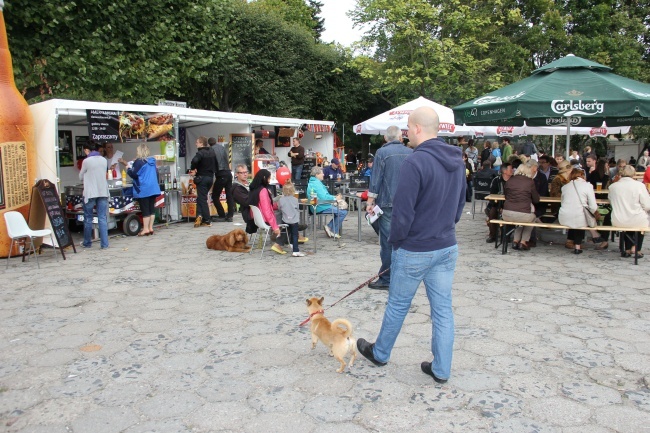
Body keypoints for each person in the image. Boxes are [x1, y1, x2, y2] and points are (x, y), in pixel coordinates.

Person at [356, 106, 465, 384]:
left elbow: (403, 213)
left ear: (417, 128)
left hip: (415, 247)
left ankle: (380, 353)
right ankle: (442, 369)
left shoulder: (415, 163)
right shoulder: (457, 160)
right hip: (446, 245)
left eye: (408, 128)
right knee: (442, 310)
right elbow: (460, 204)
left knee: (398, 304)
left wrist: (396, 244)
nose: (406, 134)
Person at [365, 125, 412, 290]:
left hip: (387, 203)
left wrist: (370, 202)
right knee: (404, 241)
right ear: (401, 138)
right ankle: (404, 276)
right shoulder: (411, 153)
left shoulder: (381, 153)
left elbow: (375, 179)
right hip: (408, 204)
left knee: (387, 242)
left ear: (385, 138)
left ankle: (386, 278)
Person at [119, 144, 161, 236]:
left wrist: (128, 169)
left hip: (144, 188)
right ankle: (150, 228)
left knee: (145, 209)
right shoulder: (152, 161)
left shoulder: (139, 161)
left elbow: (134, 174)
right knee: (151, 209)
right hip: (153, 187)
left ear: (139, 151)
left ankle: (145, 229)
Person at [609, 165, 650, 258]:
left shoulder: (613, 187)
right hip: (637, 219)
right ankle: (636, 249)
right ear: (633, 173)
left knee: (627, 222)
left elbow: (611, 202)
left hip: (618, 219)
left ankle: (627, 249)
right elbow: (647, 206)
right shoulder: (640, 186)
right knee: (640, 221)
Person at [559, 169, 598, 254]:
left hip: (564, 217)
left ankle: (574, 244)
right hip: (579, 217)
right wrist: (589, 213)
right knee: (582, 216)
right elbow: (593, 206)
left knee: (577, 216)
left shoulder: (565, 187)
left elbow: (563, 202)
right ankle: (578, 246)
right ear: (582, 175)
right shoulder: (588, 186)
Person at [79, 141, 109, 249]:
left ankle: (87, 242)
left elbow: (80, 176)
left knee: (88, 218)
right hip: (103, 191)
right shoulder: (104, 160)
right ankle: (105, 244)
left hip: (90, 192)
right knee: (102, 217)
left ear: (87, 150)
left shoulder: (86, 161)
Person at [247, 169, 284, 254]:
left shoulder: (253, 189)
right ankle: (280, 242)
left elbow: (263, 206)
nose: (269, 181)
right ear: (264, 178)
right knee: (287, 219)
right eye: (268, 178)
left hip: (258, 220)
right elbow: (266, 211)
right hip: (265, 220)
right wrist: (275, 227)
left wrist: (276, 206)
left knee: (281, 214)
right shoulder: (263, 191)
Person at [503, 163, 539, 250]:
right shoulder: (530, 181)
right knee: (532, 218)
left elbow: (506, 196)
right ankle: (523, 242)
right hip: (523, 214)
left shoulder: (510, 180)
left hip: (506, 214)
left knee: (520, 222)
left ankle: (515, 241)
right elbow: (536, 200)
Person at [307, 166, 348, 238]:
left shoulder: (313, 182)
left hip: (319, 205)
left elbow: (324, 196)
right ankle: (331, 229)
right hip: (321, 206)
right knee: (343, 212)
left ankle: (330, 228)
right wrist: (335, 198)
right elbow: (324, 197)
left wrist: (334, 197)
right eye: (322, 173)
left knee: (340, 211)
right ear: (317, 174)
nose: (323, 174)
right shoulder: (317, 184)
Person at [189, 136, 216, 228]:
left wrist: (193, 169)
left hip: (202, 178)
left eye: (197, 142)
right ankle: (199, 217)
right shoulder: (212, 152)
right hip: (210, 178)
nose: (196, 144)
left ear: (201, 143)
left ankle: (207, 220)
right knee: (201, 198)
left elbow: (194, 160)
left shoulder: (200, 153)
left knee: (202, 199)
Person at [485, 163, 513, 243]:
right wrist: (499, 207)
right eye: (510, 169)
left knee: (512, 213)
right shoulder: (496, 180)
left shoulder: (514, 180)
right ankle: (492, 235)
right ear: (504, 171)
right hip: (497, 204)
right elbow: (492, 196)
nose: (512, 171)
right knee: (492, 212)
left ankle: (507, 235)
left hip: (511, 205)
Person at [277, 182, 307, 257]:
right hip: (294, 220)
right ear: (293, 190)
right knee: (295, 235)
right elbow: (297, 208)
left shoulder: (281, 200)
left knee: (288, 231)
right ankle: (295, 250)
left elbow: (279, 208)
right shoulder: (295, 199)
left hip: (285, 219)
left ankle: (290, 244)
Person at [209, 137, 234, 222]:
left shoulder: (211, 150)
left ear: (209, 144)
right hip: (228, 173)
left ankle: (222, 214)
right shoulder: (222, 147)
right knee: (229, 195)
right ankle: (230, 215)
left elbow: (212, 163)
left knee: (215, 196)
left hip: (221, 174)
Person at [231, 164, 256, 234]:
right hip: (249, 212)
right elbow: (246, 202)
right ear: (237, 174)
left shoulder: (250, 183)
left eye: (246, 172)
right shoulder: (237, 188)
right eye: (242, 173)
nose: (245, 174)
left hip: (256, 208)